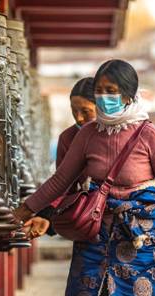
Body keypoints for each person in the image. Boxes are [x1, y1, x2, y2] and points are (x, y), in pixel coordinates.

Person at [14, 59, 155, 296]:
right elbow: (59, 180)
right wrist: (23, 211)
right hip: (95, 234)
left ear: (129, 94)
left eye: (112, 90)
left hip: (140, 240)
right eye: (100, 90)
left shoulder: (149, 135)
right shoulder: (88, 134)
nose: (104, 96)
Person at [23, 77, 97, 239]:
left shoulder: (121, 134)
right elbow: (63, 184)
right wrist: (46, 215)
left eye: (85, 111)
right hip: (88, 220)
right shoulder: (68, 138)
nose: (78, 118)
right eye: (74, 111)